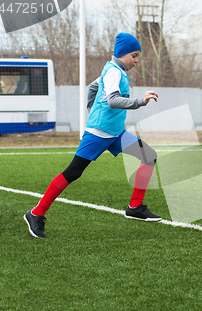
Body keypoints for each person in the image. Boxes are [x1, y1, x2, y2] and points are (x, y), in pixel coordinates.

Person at [24, 32, 162, 238]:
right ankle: (36, 213)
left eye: (137, 56)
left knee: (148, 156)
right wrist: (139, 102)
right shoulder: (114, 71)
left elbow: (93, 87)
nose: (136, 60)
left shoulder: (114, 70)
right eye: (134, 55)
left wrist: (93, 108)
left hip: (115, 133)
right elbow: (114, 100)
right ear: (123, 54)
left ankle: (135, 208)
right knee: (72, 173)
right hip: (98, 134)